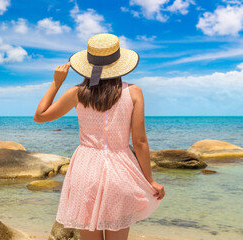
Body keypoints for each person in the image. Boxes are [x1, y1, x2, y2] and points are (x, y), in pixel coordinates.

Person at [34, 33, 165, 240]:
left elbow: (40, 117)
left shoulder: (77, 93)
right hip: (121, 171)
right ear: (119, 63)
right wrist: (150, 180)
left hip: (85, 171)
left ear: (88, 64)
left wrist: (56, 83)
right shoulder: (134, 92)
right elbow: (139, 142)